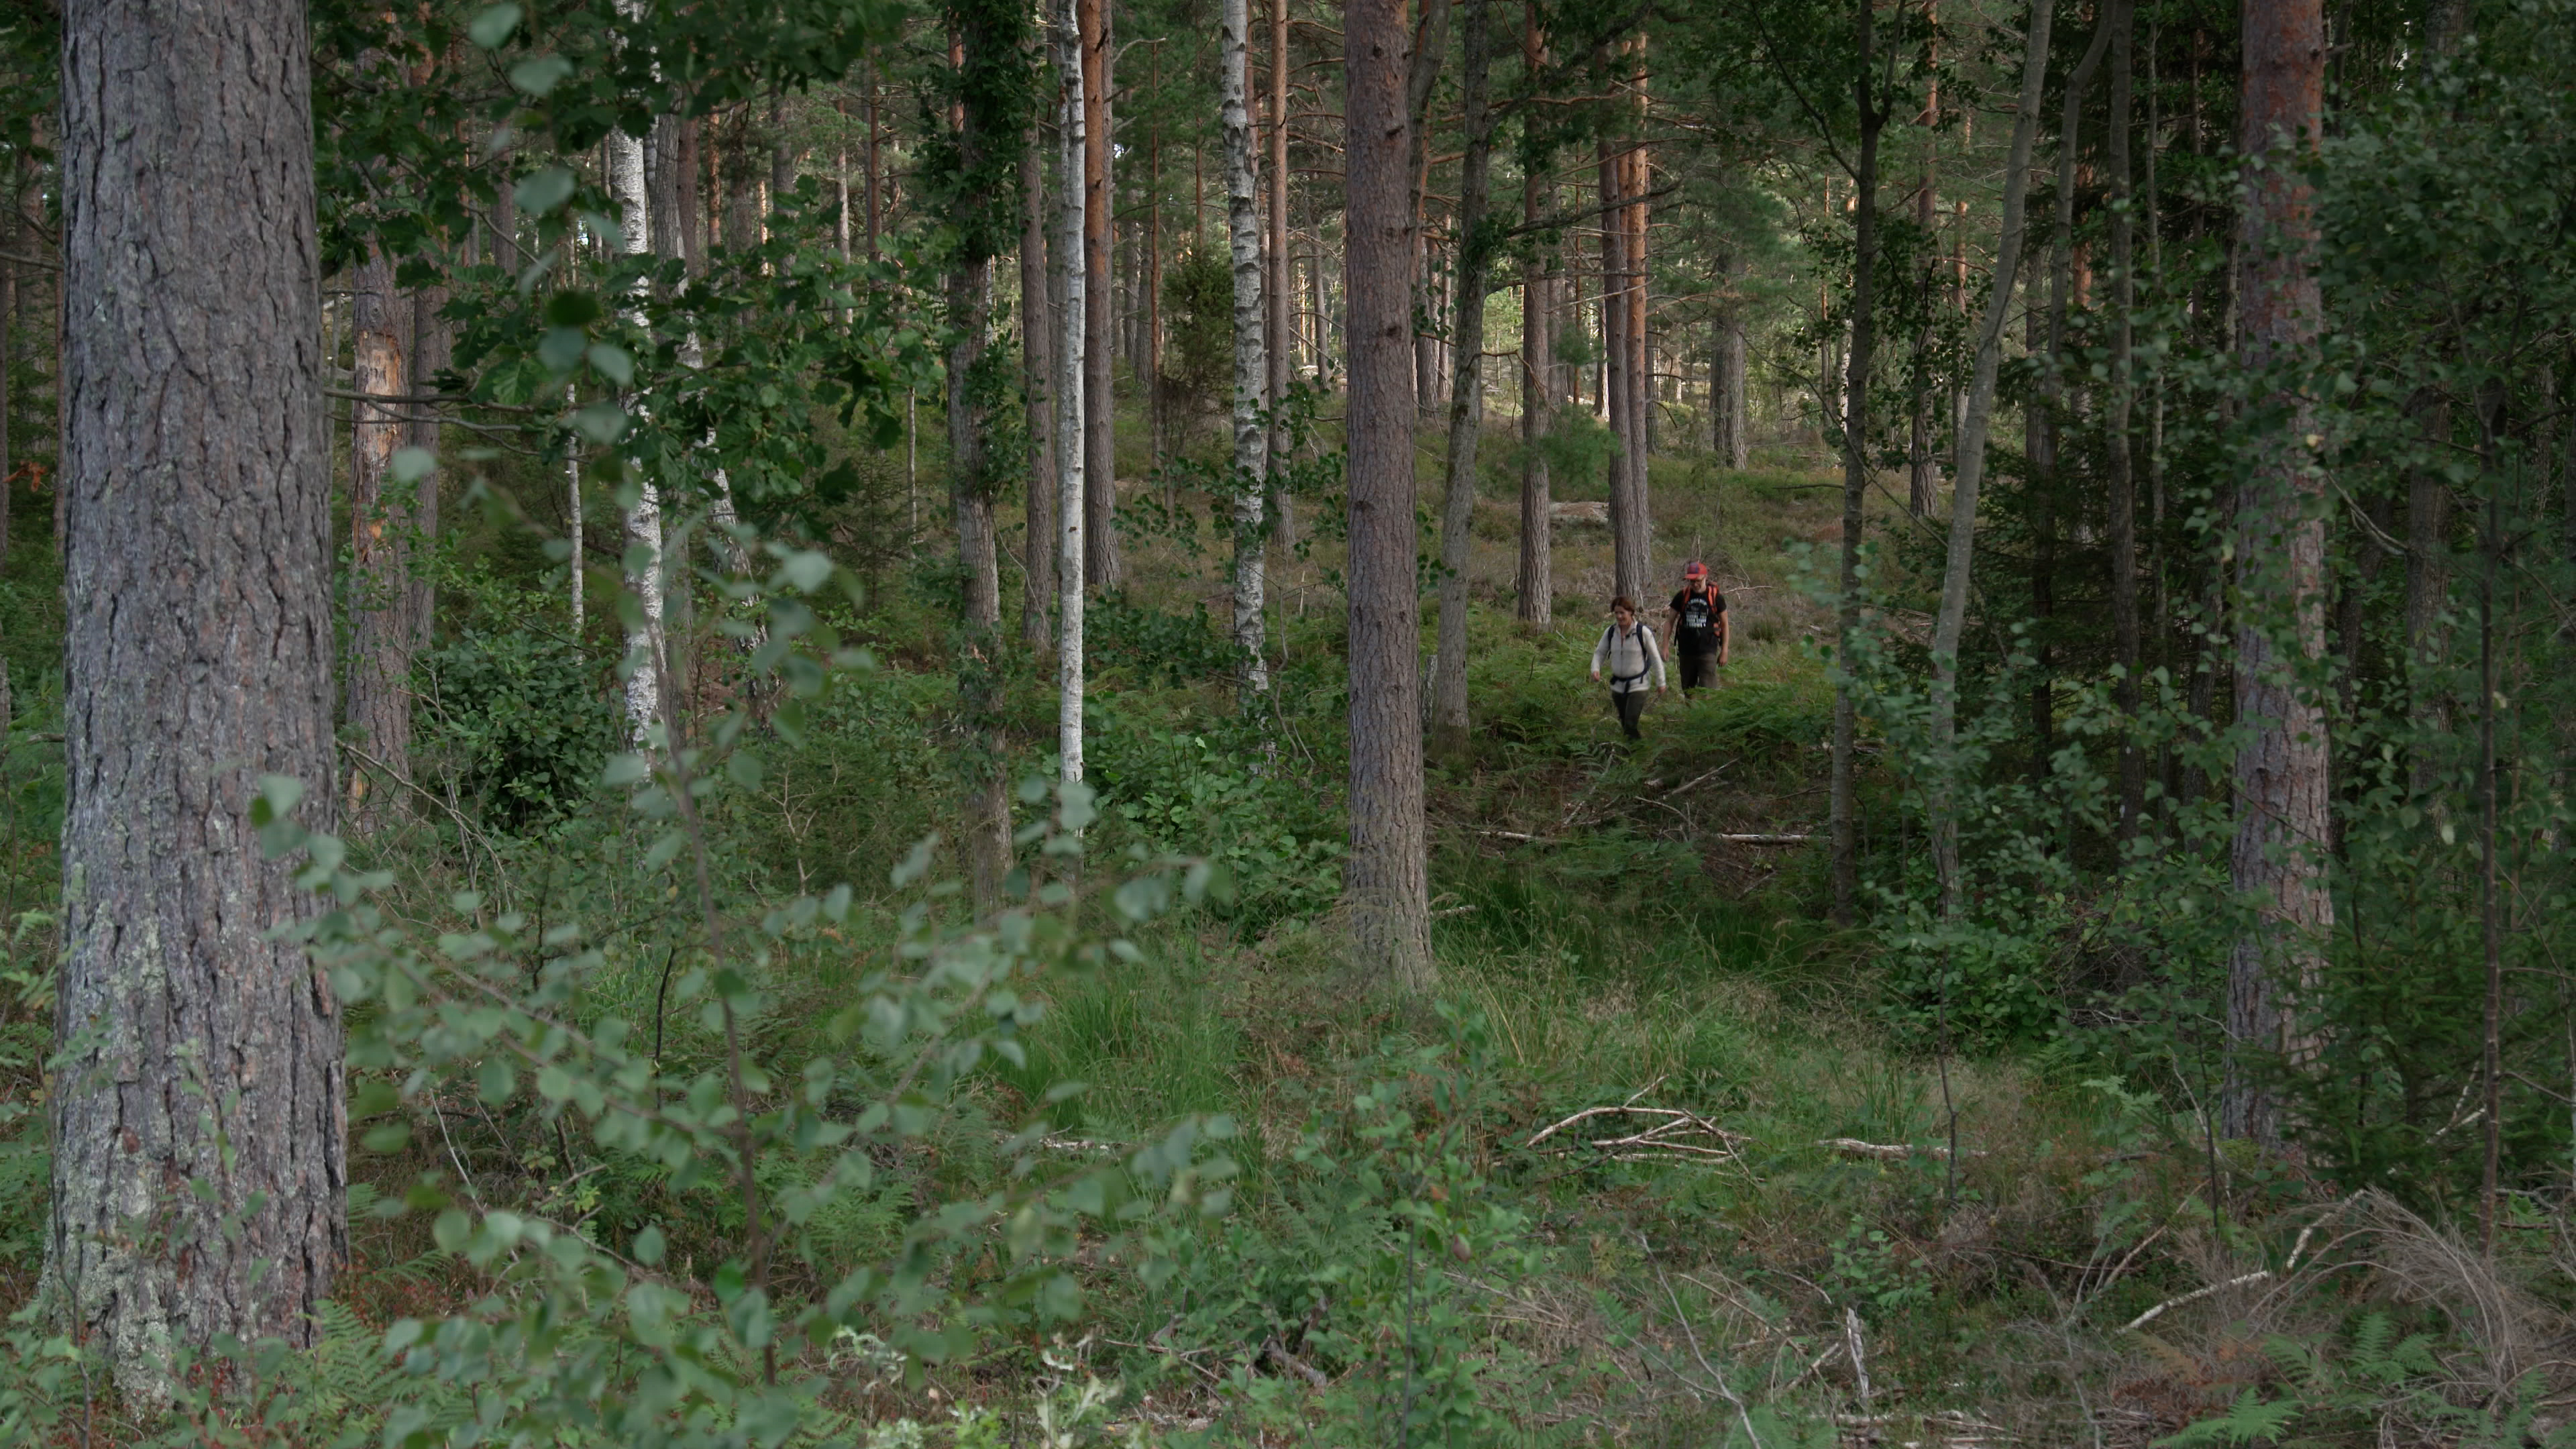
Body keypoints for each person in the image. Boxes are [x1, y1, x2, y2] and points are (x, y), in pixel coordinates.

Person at [1589, 596, 1666, 741]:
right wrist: (1595, 669)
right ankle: (1632, 748)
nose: (1619, 616)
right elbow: (1599, 653)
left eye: (1622, 613)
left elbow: (1655, 658)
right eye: (1616, 613)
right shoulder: (1611, 632)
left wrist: (1661, 682)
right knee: (1624, 722)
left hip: (1639, 685)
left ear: (1631, 612)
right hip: (1618, 686)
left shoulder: (1642, 632)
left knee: (1631, 722)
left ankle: (1634, 751)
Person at [1664, 559, 1729, 699]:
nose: (1695, 584)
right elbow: (1670, 621)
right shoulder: (1682, 596)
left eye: (1698, 581)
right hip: (1686, 650)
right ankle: (1690, 712)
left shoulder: (1715, 597)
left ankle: (1706, 713)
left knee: (1708, 691)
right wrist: (1665, 646)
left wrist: (1724, 650)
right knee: (1689, 691)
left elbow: (1724, 624)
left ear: (1705, 577)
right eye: (1692, 581)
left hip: (1708, 649)